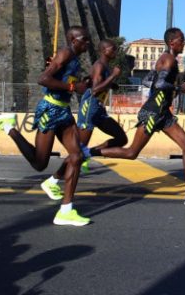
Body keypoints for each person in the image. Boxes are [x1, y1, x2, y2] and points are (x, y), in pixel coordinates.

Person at [87, 28, 185, 207]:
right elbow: (160, 83)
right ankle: (88, 152)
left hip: (163, 113)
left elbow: (148, 81)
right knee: (132, 153)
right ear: (172, 42)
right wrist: (179, 89)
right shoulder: (169, 59)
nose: (184, 42)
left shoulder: (165, 59)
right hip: (154, 112)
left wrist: (173, 86)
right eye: (181, 39)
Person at [0, 27, 94, 226]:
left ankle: (65, 211)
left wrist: (80, 84)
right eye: (84, 39)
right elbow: (43, 79)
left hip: (64, 111)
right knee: (40, 163)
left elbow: (62, 79)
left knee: (76, 156)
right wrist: (72, 87)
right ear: (73, 40)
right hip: (50, 109)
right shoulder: (66, 52)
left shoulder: (75, 59)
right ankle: (10, 128)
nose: (88, 43)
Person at [39, 39, 128, 200]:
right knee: (77, 150)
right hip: (90, 107)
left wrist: (111, 83)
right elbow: (94, 90)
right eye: (112, 49)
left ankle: (89, 153)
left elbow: (99, 85)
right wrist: (113, 76)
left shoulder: (105, 66)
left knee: (121, 138)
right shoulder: (99, 65)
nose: (115, 51)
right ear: (104, 50)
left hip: (99, 109)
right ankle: (52, 181)